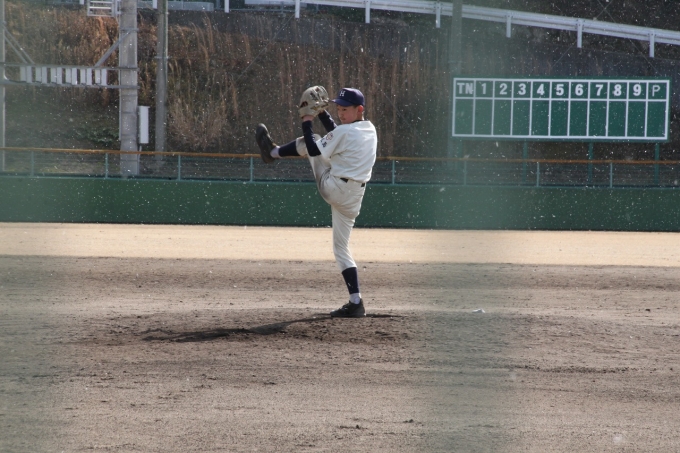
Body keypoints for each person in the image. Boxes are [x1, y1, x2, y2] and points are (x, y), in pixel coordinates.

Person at [255, 87, 377, 318]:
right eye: (338, 108)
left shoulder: (345, 132)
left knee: (312, 142)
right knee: (341, 248)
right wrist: (323, 113)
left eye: (345, 109)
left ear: (359, 109)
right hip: (354, 197)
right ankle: (356, 302)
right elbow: (339, 134)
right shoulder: (369, 129)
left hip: (334, 187)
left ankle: (272, 153)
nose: (341, 112)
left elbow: (314, 148)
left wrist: (308, 119)